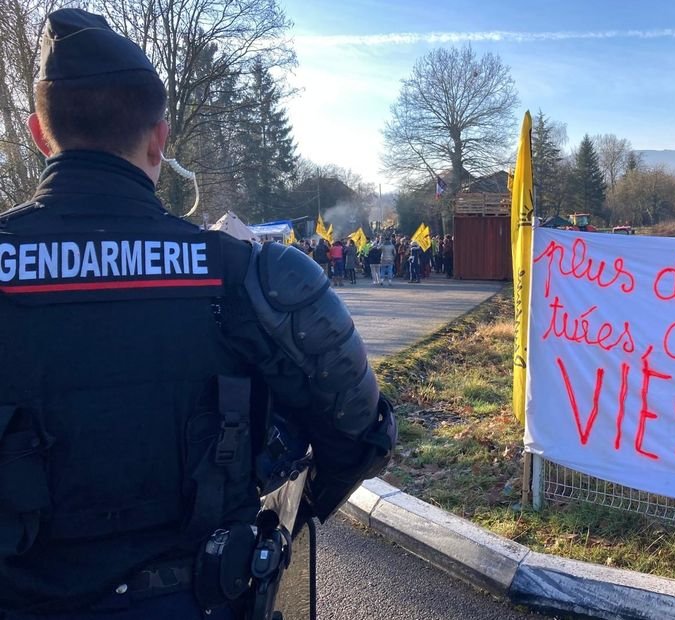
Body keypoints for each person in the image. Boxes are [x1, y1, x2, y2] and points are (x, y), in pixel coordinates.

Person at [0, 9, 395, 619]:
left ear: (37, 133)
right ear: (159, 137)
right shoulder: (252, 276)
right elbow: (362, 430)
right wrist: (297, 512)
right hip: (206, 598)